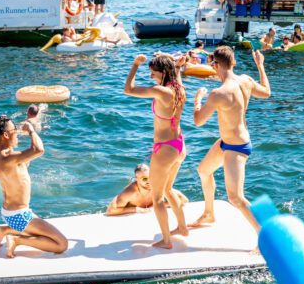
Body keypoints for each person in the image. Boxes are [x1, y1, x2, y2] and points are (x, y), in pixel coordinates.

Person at [191, 46, 271, 242]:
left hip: (237, 148)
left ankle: (265, 237)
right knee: (203, 170)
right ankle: (209, 213)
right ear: (233, 63)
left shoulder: (218, 93)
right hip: (227, 143)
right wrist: (260, 66)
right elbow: (267, 93)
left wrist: (197, 99)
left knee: (235, 198)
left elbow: (198, 121)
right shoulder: (246, 80)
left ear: (215, 65)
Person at [124, 54, 188, 249]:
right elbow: (177, 75)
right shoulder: (179, 89)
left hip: (165, 149)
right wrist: (177, 67)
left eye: (153, 72)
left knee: (157, 197)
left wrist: (135, 65)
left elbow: (129, 89)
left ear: (163, 72)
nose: (151, 76)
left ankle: (167, 241)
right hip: (179, 145)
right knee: (168, 190)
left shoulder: (161, 91)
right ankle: (183, 228)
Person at [0, 115, 68, 258]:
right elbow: (39, 149)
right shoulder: (11, 158)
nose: (17, 132)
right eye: (15, 129)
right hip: (20, 215)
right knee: (61, 244)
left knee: (43, 232)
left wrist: (8, 174)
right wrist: (31, 131)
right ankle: (16, 239)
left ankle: (3, 230)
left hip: (7, 212)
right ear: (6, 135)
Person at [106, 163, 189, 216]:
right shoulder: (131, 192)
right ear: (137, 179)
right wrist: (136, 209)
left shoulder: (158, 186)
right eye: (144, 179)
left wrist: (157, 206)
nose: (149, 181)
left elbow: (183, 199)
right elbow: (110, 211)